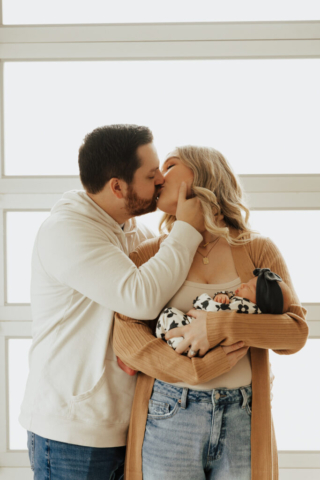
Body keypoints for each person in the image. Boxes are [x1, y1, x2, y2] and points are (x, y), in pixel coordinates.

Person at [20, 124, 208, 480]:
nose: (160, 182)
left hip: (127, 423)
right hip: (72, 433)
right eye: (151, 175)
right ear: (118, 187)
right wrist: (187, 229)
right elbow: (143, 298)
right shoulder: (67, 230)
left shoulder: (132, 230)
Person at [113, 145, 308, 480]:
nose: (159, 175)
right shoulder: (150, 254)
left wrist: (221, 325)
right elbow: (126, 339)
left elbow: (294, 334)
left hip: (243, 415)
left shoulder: (257, 249)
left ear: (203, 172)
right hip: (169, 411)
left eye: (170, 165)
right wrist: (197, 370)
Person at [157, 267, 292, 352]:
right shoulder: (242, 305)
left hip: (192, 338)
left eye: (250, 288)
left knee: (168, 314)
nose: (244, 284)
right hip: (195, 337)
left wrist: (201, 299)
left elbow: (212, 309)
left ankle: (171, 344)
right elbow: (224, 308)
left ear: (262, 302)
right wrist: (221, 296)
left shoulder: (247, 308)